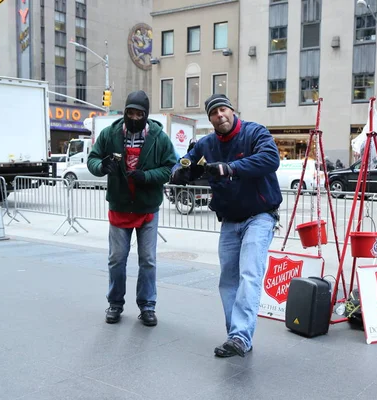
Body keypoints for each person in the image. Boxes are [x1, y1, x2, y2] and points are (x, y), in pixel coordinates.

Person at [170, 94, 282, 358]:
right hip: (230, 219)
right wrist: (180, 172)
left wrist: (230, 168)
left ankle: (241, 336)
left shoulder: (255, 132)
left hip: (260, 215)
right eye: (213, 113)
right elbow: (185, 162)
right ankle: (236, 335)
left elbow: (270, 159)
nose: (220, 115)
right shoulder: (207, 144)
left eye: (223, 109)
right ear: (209, 119)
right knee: (228, 280)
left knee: (249, 274)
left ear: (232, 111)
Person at [87, 90, 176, 326]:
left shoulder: (159, 137)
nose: (134, 117)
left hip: (147, 208)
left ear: (146, 115)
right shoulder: (110, 133)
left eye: (139, 113)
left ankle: (147, 305)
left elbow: (170, 167)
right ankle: (115, 303)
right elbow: (93, 158)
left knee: (148, 259)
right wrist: (101, 166)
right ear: (125, 112)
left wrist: (146, 176)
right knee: (116, 258)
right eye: (130, 112)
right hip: (120, 206)